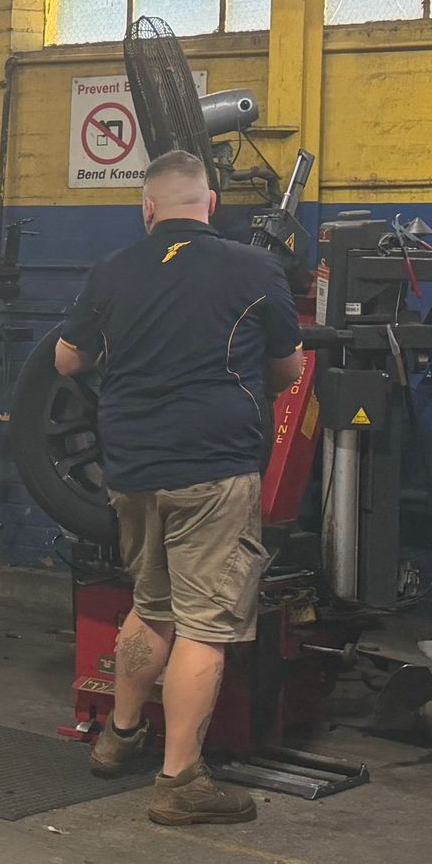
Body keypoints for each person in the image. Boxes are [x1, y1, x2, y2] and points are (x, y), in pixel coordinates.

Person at [56, 149, 303, 826]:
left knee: (151, 603)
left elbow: (66, 358)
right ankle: (180, 781)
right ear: (211, 204)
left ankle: (121, 736)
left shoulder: (112, 270)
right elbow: (286, 369)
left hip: (131, 470)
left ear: (148, 208)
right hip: (214, 469)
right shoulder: (255, 268)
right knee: (205, 624)